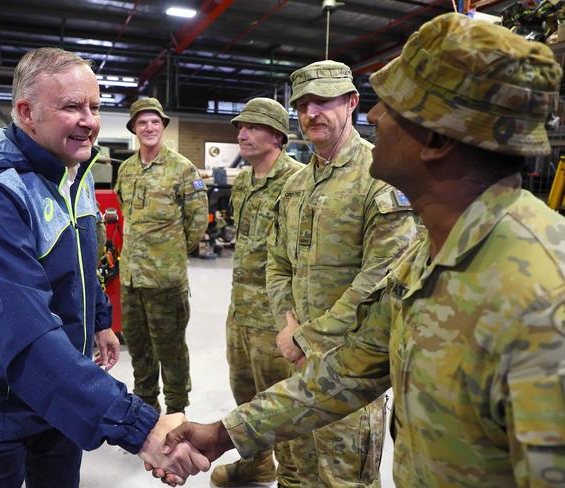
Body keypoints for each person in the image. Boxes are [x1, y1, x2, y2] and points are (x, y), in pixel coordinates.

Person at [159, 12, 565, 488]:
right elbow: (350, 373)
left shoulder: (541, 294)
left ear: (434, 138)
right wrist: (223, 434)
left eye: (391, 106)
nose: (374, 116)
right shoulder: (431, 259)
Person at [0, 47, 209, 487]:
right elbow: (26, 335)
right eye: (71, 107)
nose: (89, 120)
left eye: (95, 106)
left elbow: (84, 261)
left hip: (61, 395)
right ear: (26, 112)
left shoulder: (72, 170)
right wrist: (139, 426)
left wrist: (100, 319)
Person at [266, 60, 419, 487]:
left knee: (342, 480)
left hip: (350, 370)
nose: (312, 112)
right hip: (297, 362)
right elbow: (276, 262)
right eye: (303, 104)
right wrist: (288, 324)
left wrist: (308, 338)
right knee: (295, 473)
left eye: (323, 101)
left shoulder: (380, 176)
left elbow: (381, 278)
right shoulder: (295, 185)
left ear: (351, 102)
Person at [210, 98, 304, 487]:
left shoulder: (298, 181)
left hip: (276, 315)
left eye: (253, 127)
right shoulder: (245, 180)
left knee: (282, 402)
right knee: (245, 394)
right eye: (239, 128)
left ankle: (294, 476)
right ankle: (257, 463)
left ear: (278, 136)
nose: (242, 134)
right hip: (241, 311)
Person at [115, 97, 208, 415]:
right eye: (142, 123)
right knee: (138, 347)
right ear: (134, 129)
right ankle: (145, 405)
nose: (149, 127)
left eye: (155, 121)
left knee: (170, 350)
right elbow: (125, 211)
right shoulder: (126, 169)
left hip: (165, 281)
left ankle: (177, 410)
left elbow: (197, 220)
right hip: (131, 279)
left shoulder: (184, 169)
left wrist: (172, 254)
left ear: (163, 126)